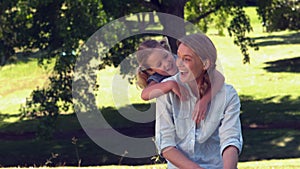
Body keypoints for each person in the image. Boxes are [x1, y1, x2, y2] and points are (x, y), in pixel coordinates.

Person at [155, 33, 243, 169]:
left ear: (205, 64)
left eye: (187, 59)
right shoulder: (167, 91)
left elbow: (230, 140)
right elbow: (166, 145)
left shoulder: (228, 95)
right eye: (178, 56)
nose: (178, 64)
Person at [136, 38, 225, 123]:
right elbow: (145, 95)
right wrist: (171, 84)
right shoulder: (158, 77)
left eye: (166, 56)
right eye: (159, 64)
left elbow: (219, 78)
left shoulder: (181, 60)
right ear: (151, 70)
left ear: (167, 49)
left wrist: (204, 101)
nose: (166, 63)